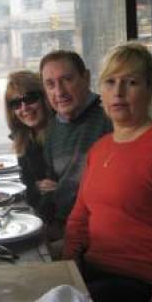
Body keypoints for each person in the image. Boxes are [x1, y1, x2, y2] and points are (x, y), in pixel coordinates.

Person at [63, 43, 152, 302]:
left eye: (131, 82)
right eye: (110, 82)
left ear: (150, 90)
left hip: (137, 282)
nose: (118, 92)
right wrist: (67, 275)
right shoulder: (100, 148)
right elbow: (79, 219)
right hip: (92, 275)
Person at [39, 50, 112, 237]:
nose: (59, 92)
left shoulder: (110, 116)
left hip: (99, 231)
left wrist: (62, 189)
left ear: (86, 78)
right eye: (50, 84)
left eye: (67, 80)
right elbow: (49, 185)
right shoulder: (53, 127)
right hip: (66, 228)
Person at [4, 70, 50, 211]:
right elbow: (29, 186)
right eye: (16, 103)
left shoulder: (59, 133)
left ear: (44, 98)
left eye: (30, 99)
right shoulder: (24, 137)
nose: (24, 108)